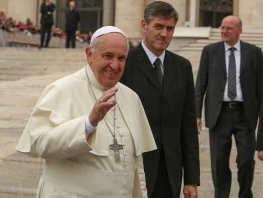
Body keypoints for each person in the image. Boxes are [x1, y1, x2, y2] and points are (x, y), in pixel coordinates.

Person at [16, 26, 157, 198]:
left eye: (121, 58)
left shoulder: (131, 98)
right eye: (108, 56)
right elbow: (41, 144)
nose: (115, 65)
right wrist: (88, 124)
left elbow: (137, 164)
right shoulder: (62, 89)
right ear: (89, 54)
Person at [120, 1, 200, 198]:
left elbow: (188, 127)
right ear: (144, 25)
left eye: (169, 28)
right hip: (133, 168)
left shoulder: (183, 67)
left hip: (170, 172)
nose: (164, 34)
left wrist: (191, 179)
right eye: (158, 26)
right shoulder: (124, 64)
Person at [196, 15, 263, 197]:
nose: (224, 31)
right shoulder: (209, 51)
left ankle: (245, 194)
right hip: (219, 114)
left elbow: (260, 88)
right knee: (219, 162)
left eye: (229, 28)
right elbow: (200, 84)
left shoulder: (254, 52)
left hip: (245, 114)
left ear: (239, 31)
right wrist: (197, 114)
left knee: (246, 161)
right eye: (222, 27)